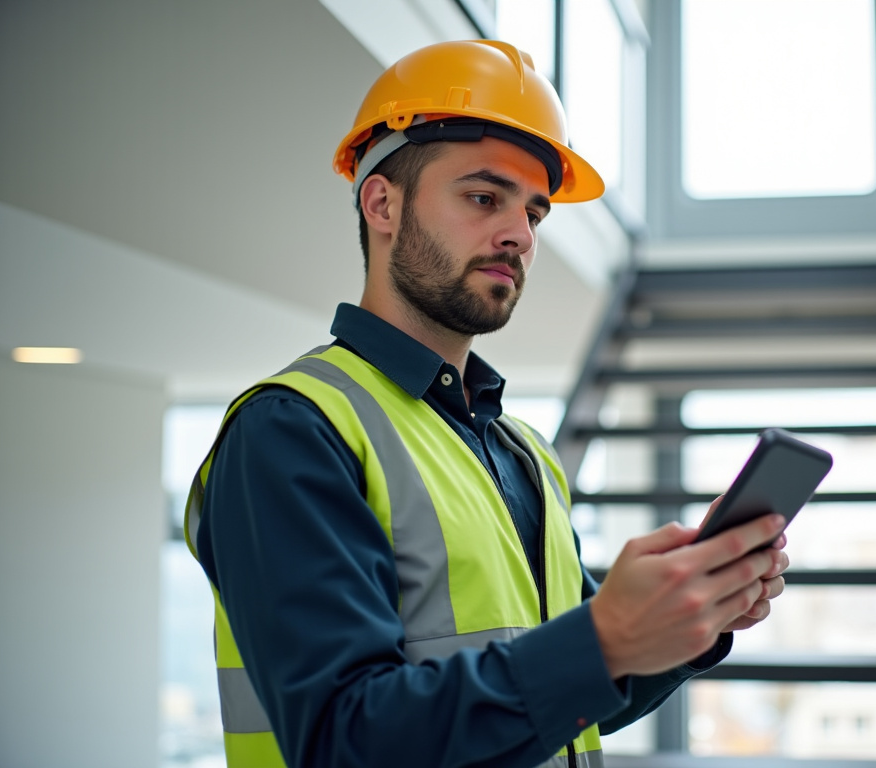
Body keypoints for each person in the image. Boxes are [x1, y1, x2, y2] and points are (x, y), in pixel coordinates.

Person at [185, 39, 789, 768]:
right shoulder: (291, 430)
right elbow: (343, 740)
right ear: (383, 202)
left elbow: (566, 703)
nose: (521, 235)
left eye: (535, 212)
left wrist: (687, 627)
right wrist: (606, 638)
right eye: (484, 197)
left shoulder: (524, 454)